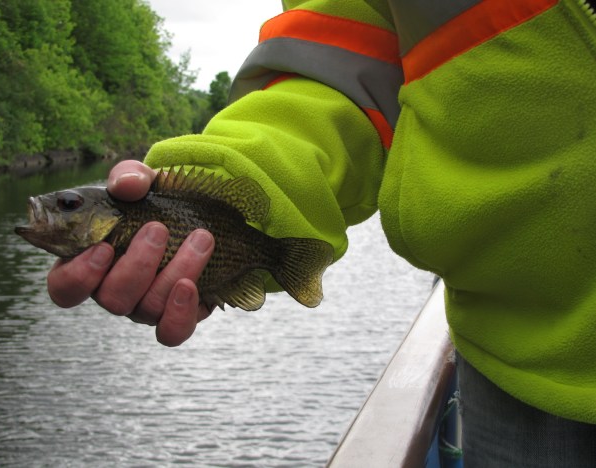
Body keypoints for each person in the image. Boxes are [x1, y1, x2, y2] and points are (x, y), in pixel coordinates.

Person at [48, 1, 596, 466]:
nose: (56, 211)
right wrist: (233, 174)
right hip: (523, 359)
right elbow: (336, 70)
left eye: (68, 206)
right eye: (66, 206)